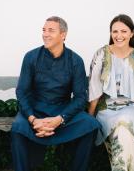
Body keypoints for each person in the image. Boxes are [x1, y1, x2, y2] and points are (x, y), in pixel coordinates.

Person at [11, 16, 100, 171]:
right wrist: (33, 120)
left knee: (90, 125)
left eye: (51, 30)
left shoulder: (75, 60)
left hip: (61, 110)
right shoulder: (31, 57)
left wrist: (60, 119)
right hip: (35, 110)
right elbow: (22, 92)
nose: (45, 34)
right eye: (44, 30)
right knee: (18, 127)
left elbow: (80, 98)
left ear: (63, 35)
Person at [88, 14, 134, 171]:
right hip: (106, 110)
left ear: (132, 33)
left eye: (124, 31)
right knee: (122, 132)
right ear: (110, 33)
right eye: (115, 31)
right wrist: (89, 118)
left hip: (131, 108)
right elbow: (94, 90)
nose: (119, 36)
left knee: (124, 128)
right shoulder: (102, 55)